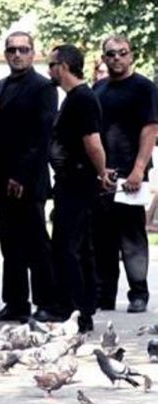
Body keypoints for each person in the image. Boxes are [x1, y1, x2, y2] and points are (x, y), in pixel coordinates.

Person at [0, 31, 59, 323]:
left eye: (23, 49)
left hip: (29, 179)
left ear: (33, 53)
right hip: (1, 179)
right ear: (5, 53)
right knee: (9, 244)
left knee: (36, 243)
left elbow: (41, 136)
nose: (17, 54)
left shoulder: (43, 87)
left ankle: (47, 303)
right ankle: (15, 302)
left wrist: (20, 175)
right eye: (12, 49)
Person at [48, 44, 114, 332]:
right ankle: (83, 307)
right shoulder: (74, 98)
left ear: (63, 66)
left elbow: (93, 143)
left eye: (52, 65)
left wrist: (101, 172)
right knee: (78, 246)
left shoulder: (82, 99)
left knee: (68, 246)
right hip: (70, 180)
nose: (49, 70)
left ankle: (74, 309)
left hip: (78, 181)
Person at [93, 35, 158, 313]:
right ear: (104, 59)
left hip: (132, 173)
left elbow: (151, 129)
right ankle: (104, 295)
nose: (117, 58)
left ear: (131, 55)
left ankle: (138, 294)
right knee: (102, 237)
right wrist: (99, 169)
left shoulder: (144, 88)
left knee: (131, 237)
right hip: (104, 174)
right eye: (111, 54)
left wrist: (138, 170)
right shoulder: (98, 89)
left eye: (122, 52)